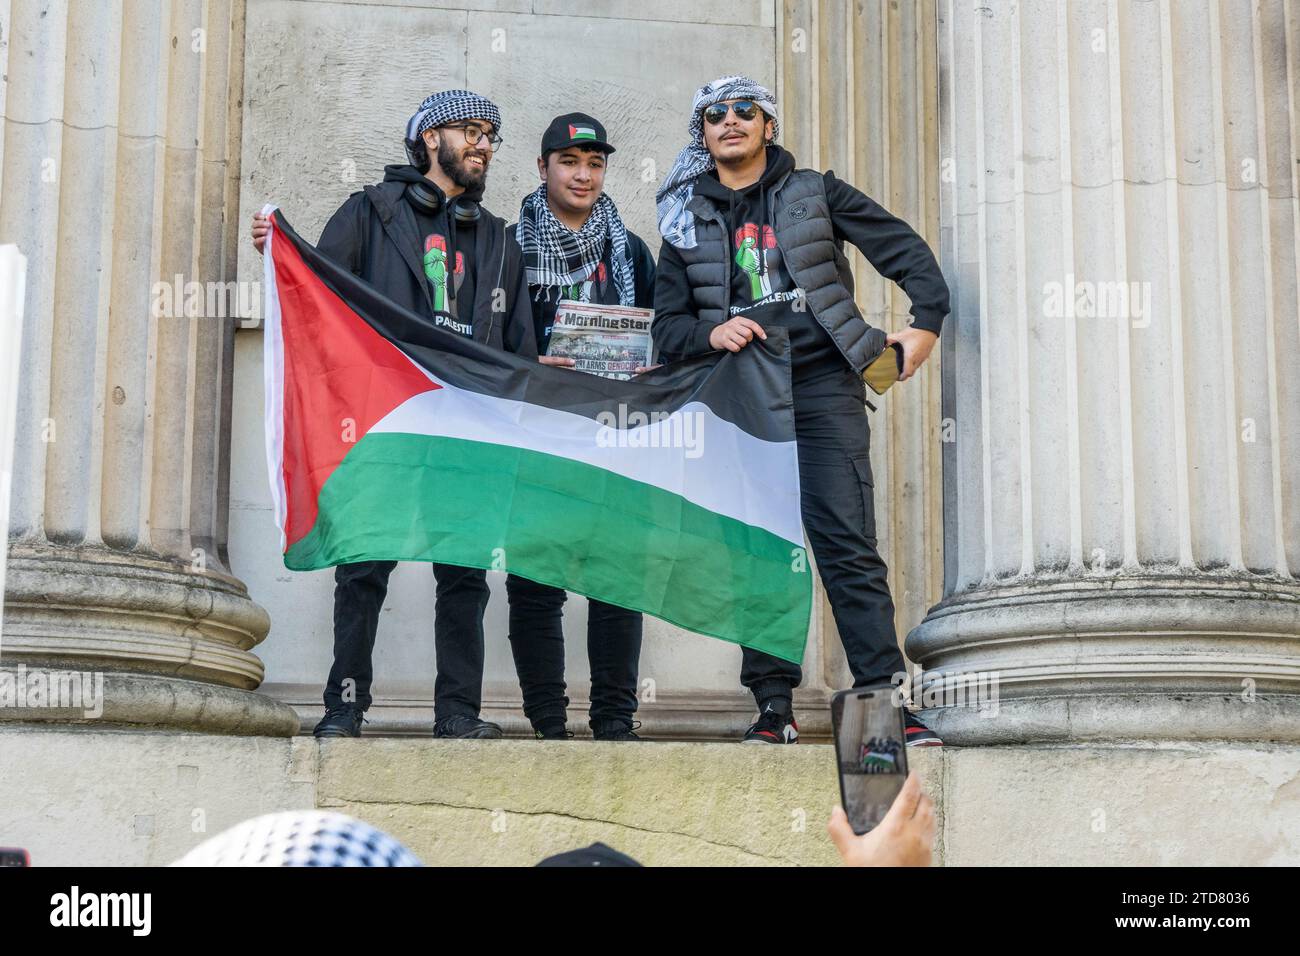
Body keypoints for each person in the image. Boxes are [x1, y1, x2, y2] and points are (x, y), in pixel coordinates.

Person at [651, 75, 950, 746]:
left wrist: (921, 329)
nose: (730, 121)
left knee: (847, 544)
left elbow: (905, 251)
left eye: (744, 110)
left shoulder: (815, 191)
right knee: (757, 553)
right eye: (714, 114)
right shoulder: (683, 220)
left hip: (823, 386)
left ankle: (883, 705)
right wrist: (708, 333)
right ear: (702, 134)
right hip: (740, 397)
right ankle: (772, 708)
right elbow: (665, 328)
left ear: (768, 126)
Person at [252, 90, 537, 739]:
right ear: (429, 138)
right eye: (470, 130)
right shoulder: (369, 213)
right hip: (383, 423)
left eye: (491, 133)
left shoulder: (499, 242)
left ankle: (458, 715)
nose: (485, 144)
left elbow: (519, 349)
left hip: (468, 433)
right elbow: (317, 292)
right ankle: (344, 708)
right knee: (363, 568)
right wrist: (277, 250)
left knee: (466, 577)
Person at [504, 113, 656, 741]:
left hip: (613, 433)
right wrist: (527, 363)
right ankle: (547, 724)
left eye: (594, 163)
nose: (584, 174)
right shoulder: (507, 247)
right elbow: (490, 339)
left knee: (618, 580)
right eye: (570, 161)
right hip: (536, 433)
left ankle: (616, 723)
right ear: (543, 168)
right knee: (535, 583)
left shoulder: (633, 249)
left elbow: (662, 333)